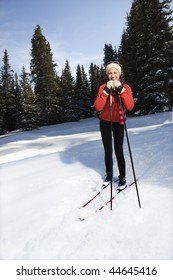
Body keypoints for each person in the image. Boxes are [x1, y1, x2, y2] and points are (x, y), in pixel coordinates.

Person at [94, 61, 134, 191]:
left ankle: (122, 177)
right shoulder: (103, 87)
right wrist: (106, 91)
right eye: (110, 73)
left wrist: (121, 89)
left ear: (119, 73)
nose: (112, 75)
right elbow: (98, 106)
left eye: (115, 72)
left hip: (118, 122)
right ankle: (109, 175)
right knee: (108, 150)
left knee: (118, 149)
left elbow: (130, 106)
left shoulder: (126, 87)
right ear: (107, 75)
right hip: (105, 121)